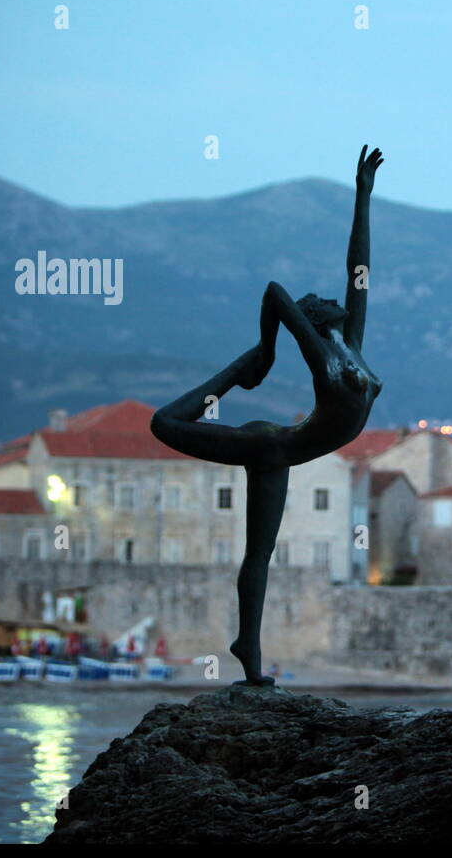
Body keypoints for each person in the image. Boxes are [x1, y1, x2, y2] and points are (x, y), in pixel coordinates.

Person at [151, 145, 385, 685]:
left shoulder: (351, 344)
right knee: (163, 424)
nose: (334, 296)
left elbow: (360, 269)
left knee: (261, 553)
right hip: (268, 446)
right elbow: (276, 293)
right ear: (314, 318)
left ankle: (247, 651)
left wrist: (363, 195)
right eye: (322, 299)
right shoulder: (324, 355)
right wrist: (266, 353)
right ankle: (237, 371)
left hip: (281, 448)